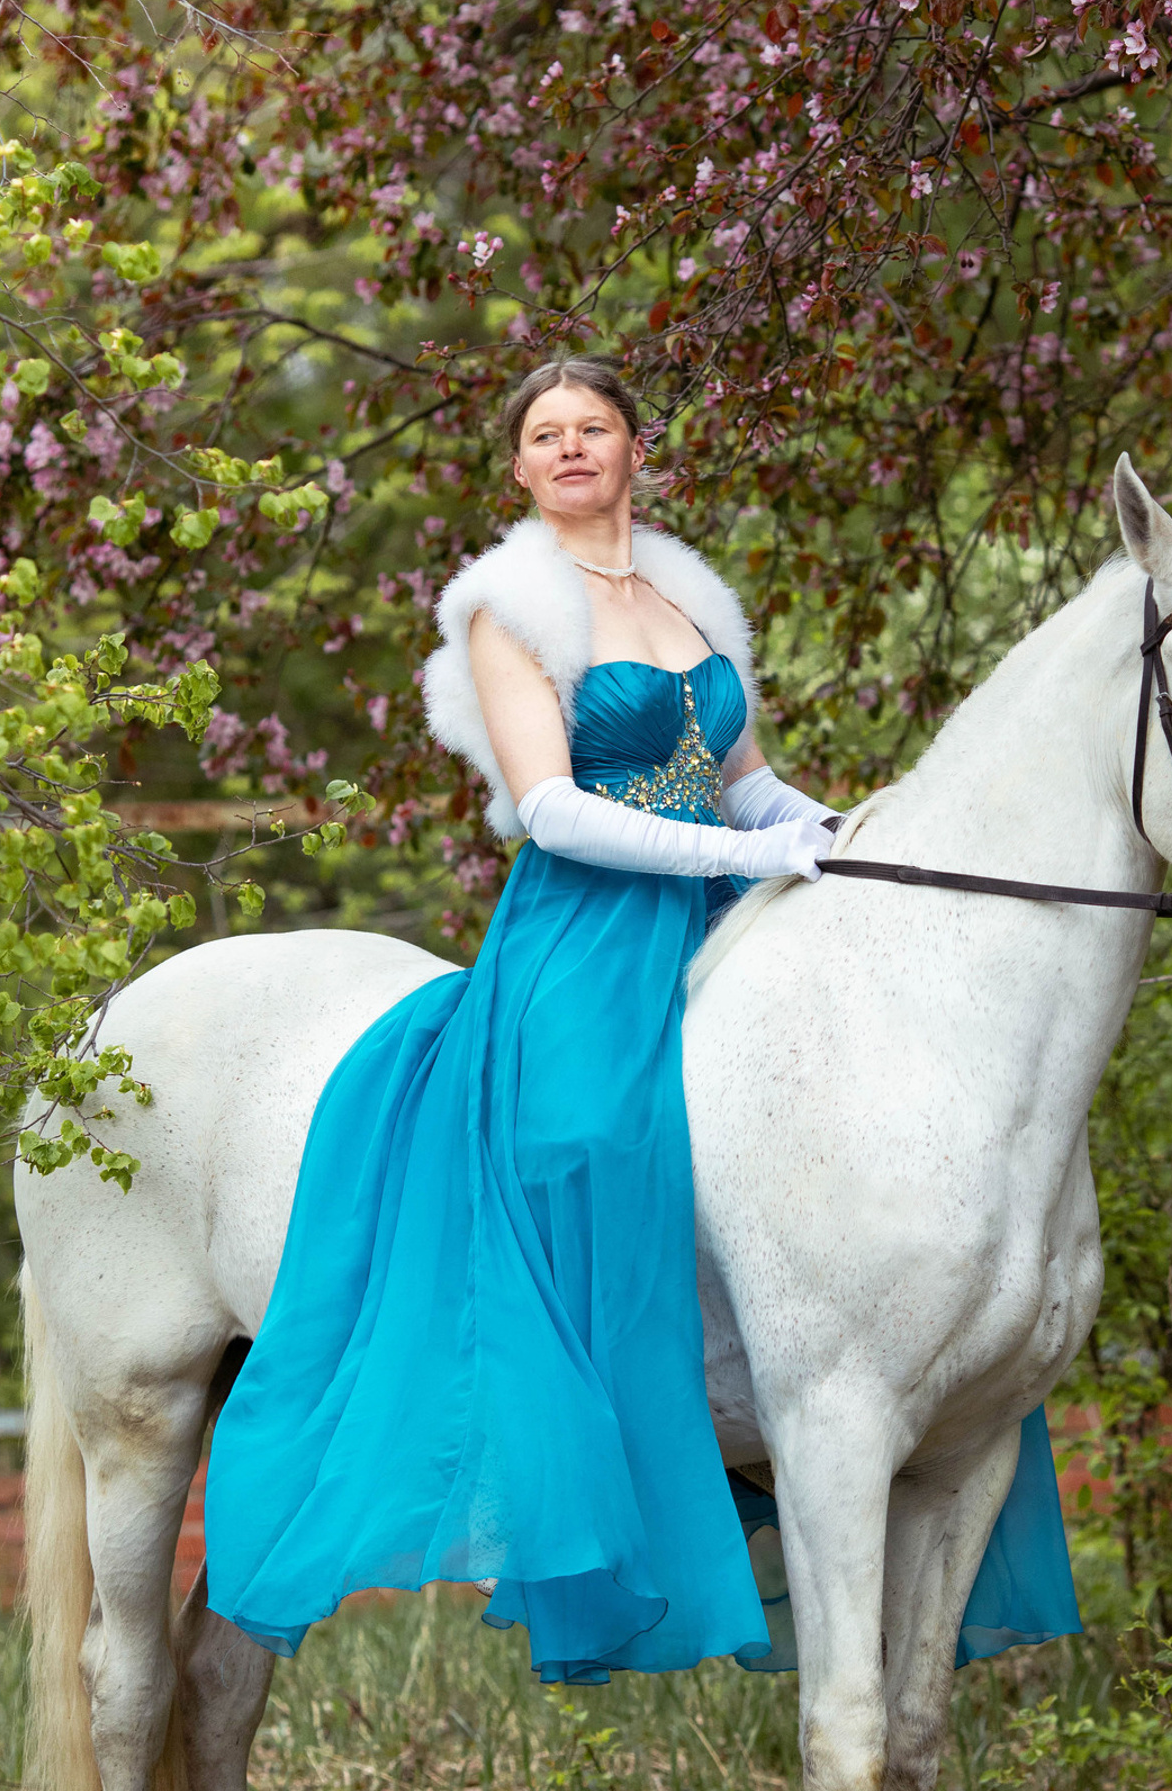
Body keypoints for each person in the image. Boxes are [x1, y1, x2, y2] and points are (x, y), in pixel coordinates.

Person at [203, 355, 840, 1680]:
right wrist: (736, 859)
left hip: (715, 910)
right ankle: (613, 1462)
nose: (568, 449)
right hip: (582, 931)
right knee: (591, 1136)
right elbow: (549, 806)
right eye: (543, 435)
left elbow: (748, 782)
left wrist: (839, 834)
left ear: (631, 446)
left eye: (591, 427)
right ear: (519, 467)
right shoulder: (508, 608)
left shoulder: (686, 596)